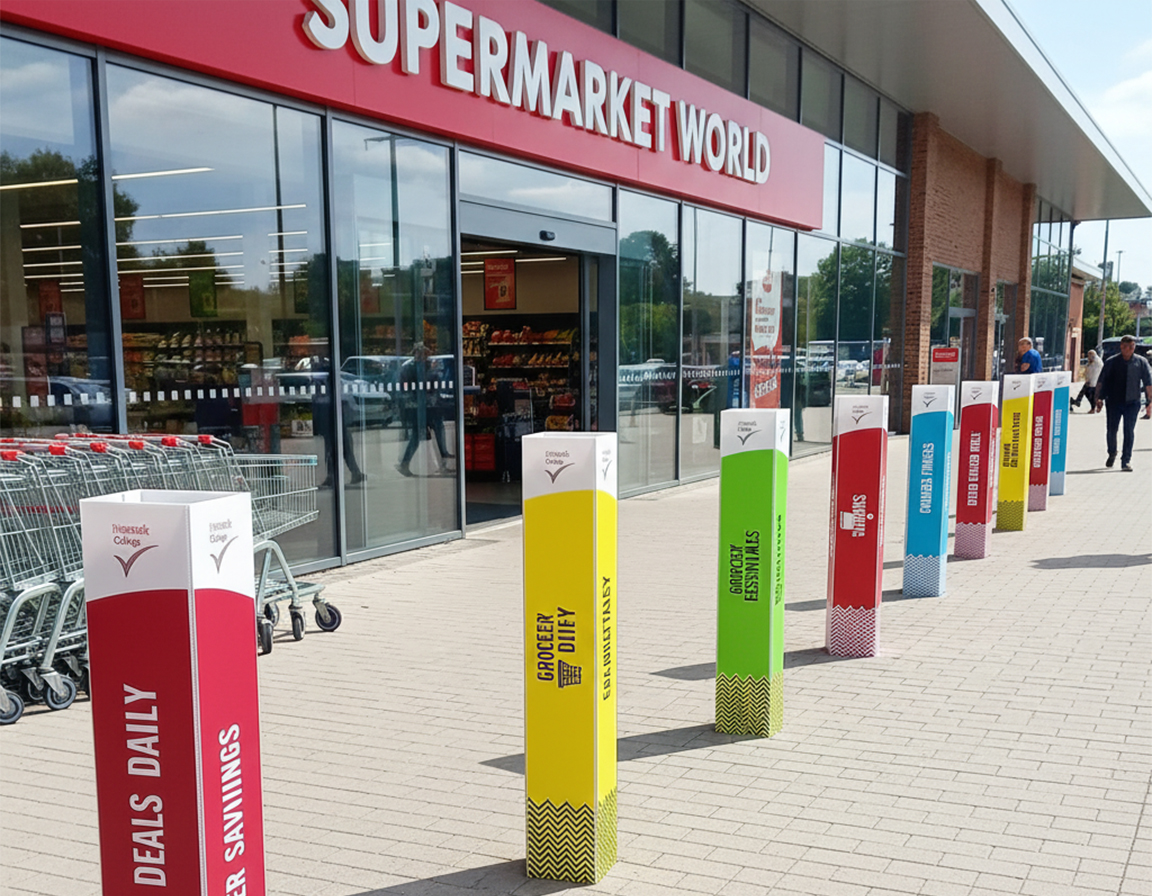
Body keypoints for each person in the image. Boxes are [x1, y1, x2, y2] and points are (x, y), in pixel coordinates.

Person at [1094, 334, 1152, 472]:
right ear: (1122, 347)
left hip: (1133, 402)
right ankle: (1112, 453)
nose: (1130, 349)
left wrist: (1150, 400)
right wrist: (1098, 398)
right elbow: (1102, 381)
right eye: (1127, 347)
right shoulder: (1111, 362)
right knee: (1112, 430)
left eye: (1132, 347)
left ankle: (1126, 460)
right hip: (1113, 401)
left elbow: (1148, 382)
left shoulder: (1141, 362)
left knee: (1129, 431)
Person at [396, 343, 454, 477]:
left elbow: (434, 383)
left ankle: (441, 460)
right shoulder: (411, 368)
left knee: (434, 431)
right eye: (421, 353)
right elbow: (410, 387)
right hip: (420, 406)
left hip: (426, 405)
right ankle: (442, 460)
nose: (424, 356)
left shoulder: (421, 366)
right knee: (430, 432)